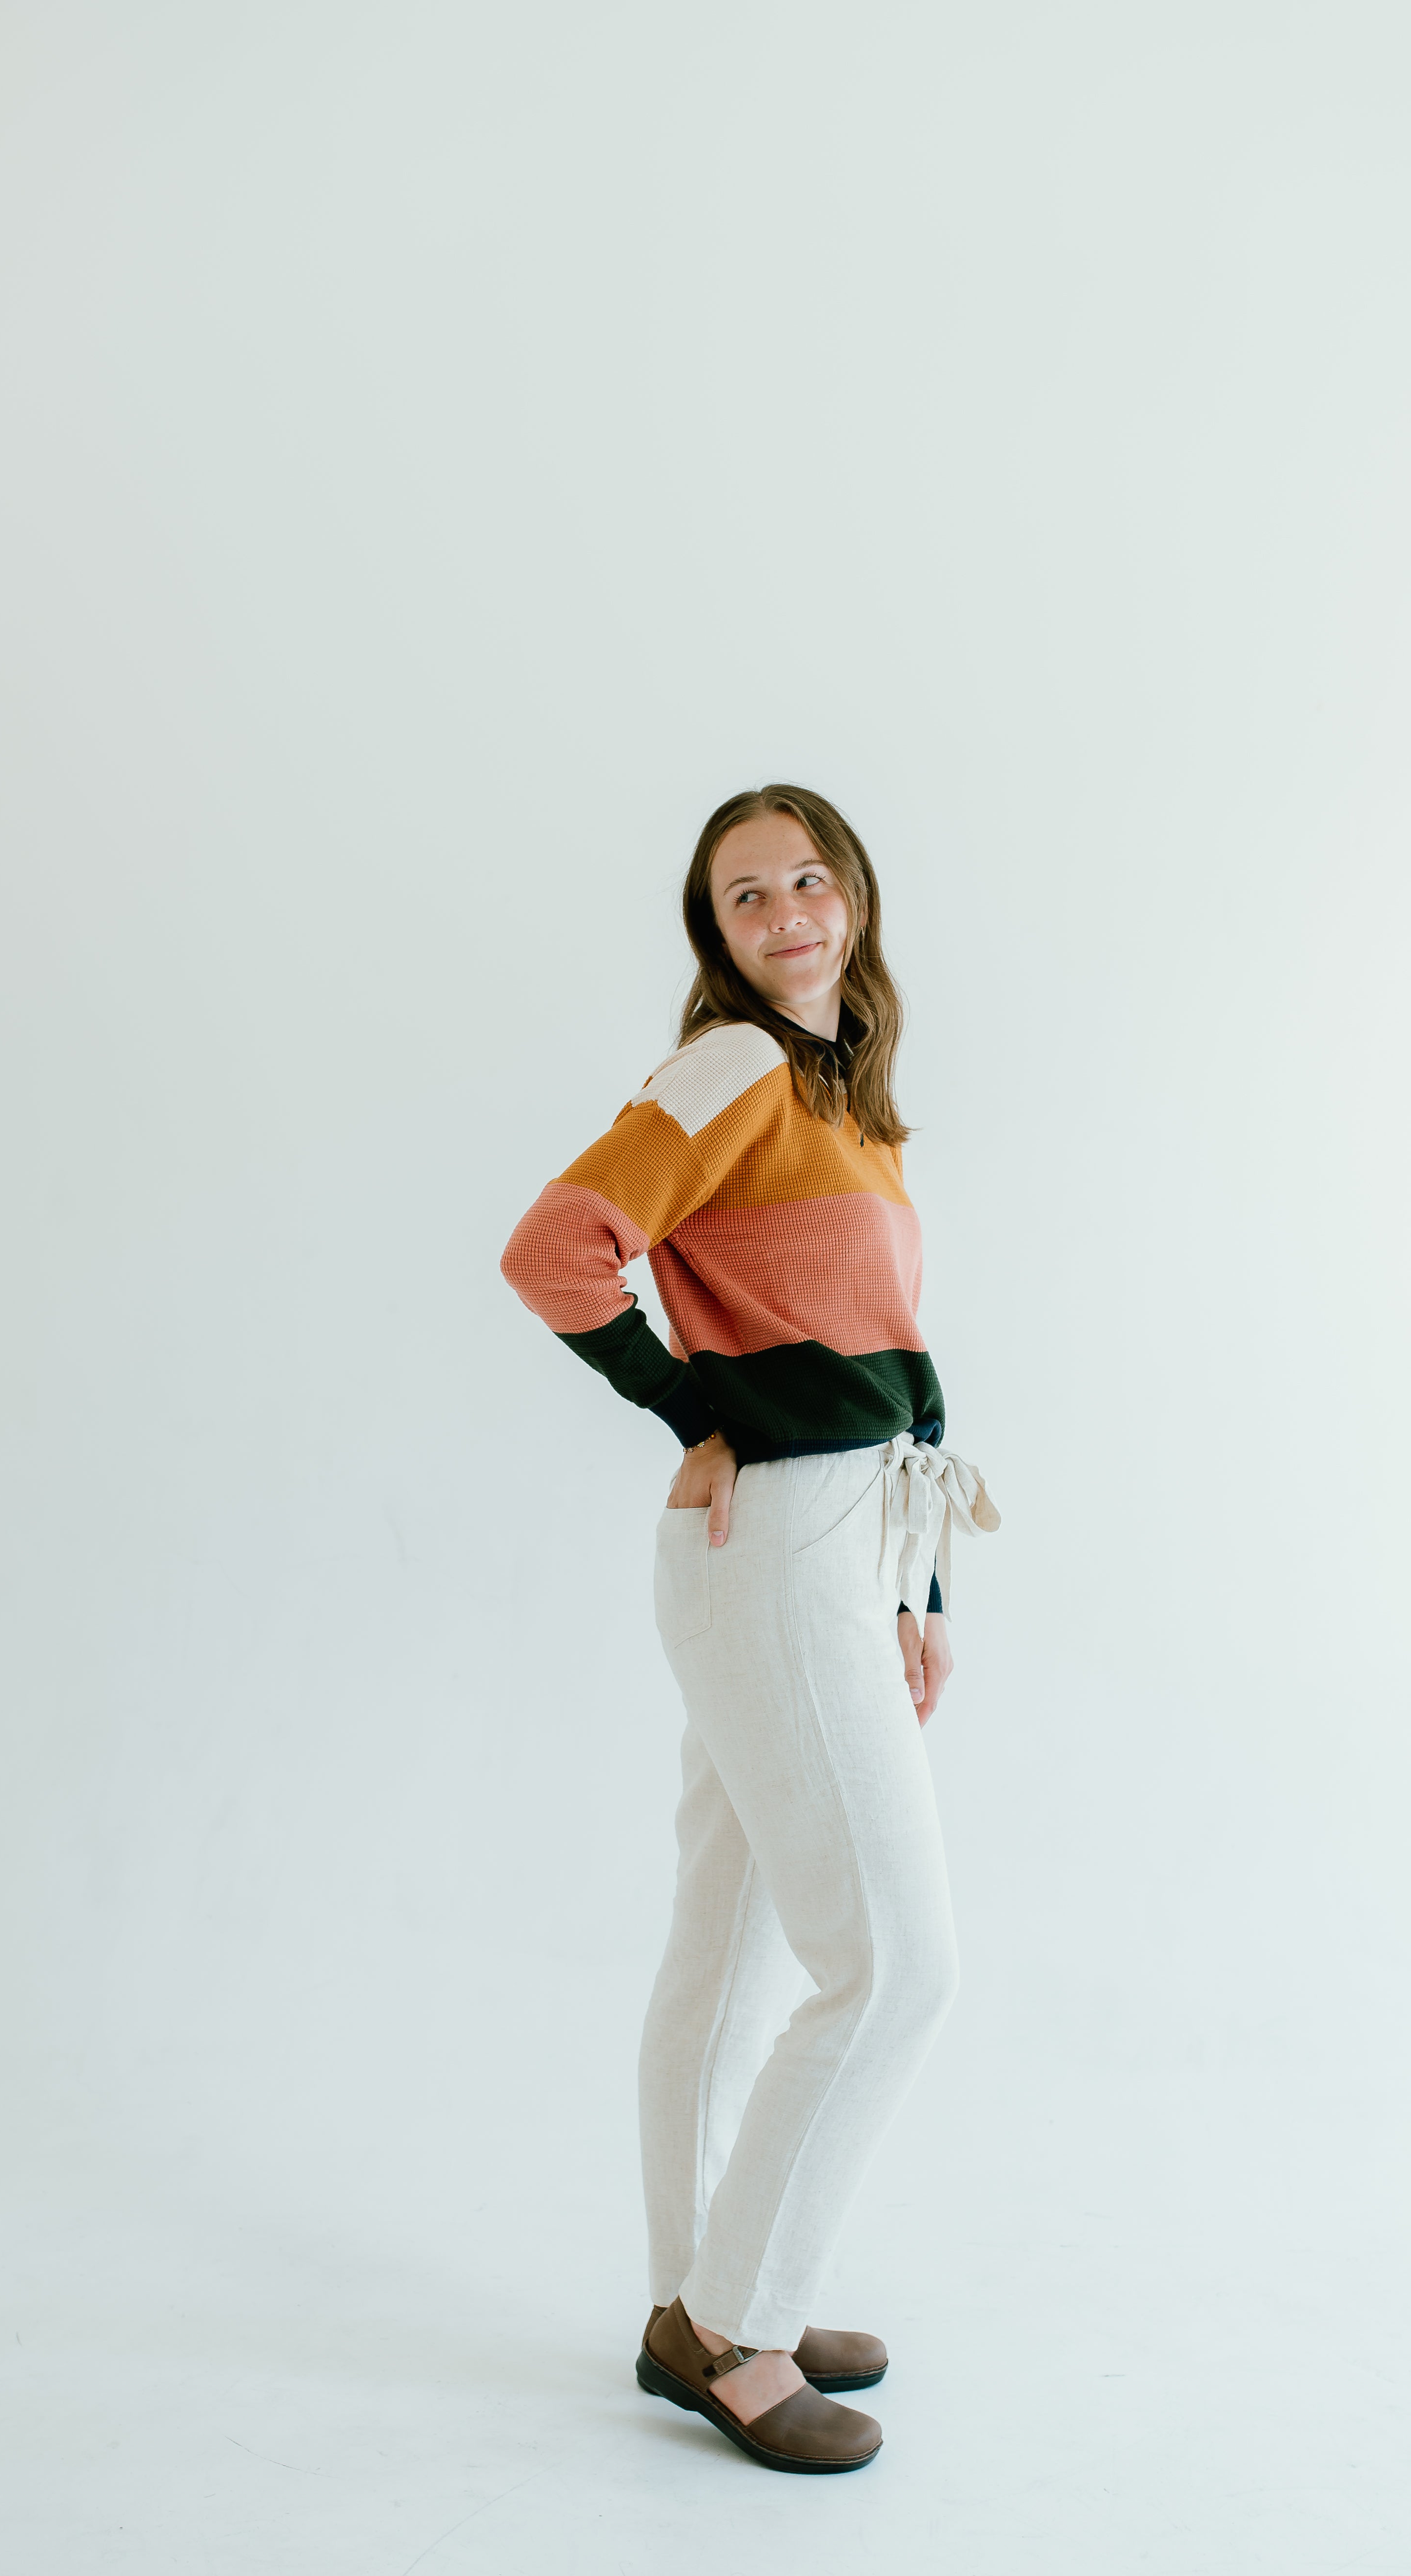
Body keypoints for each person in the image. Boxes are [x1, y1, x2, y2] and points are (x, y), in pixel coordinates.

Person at [500, 784, 999, 2474]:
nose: (787, 913)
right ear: (714, 933)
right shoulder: (731, 1066)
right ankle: (739, 2326)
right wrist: (688, 1409)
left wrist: (921, 1590)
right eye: (745, 895)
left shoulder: (851, 1103)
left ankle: (695, 2299)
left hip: (837, 1545)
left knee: (731, 1950)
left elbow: (890, 1361)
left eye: (808, 879)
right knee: (898, 1968)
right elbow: (558, 1251)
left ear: (854, 894)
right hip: (770, 1541)